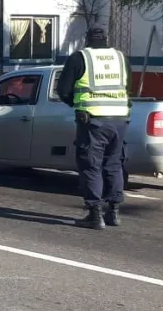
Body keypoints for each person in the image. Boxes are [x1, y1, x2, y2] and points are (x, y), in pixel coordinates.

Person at [55, 26, 131, 230]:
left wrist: (77, 105)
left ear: (87, 39)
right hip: (120, 119)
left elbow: (62, 90)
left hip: (93, 120)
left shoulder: (80, 57)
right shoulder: (120, 57)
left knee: (91, 165)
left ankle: (95, 214)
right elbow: (128, 86)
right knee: (114, 164)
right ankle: (113, 212)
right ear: (106, 39)